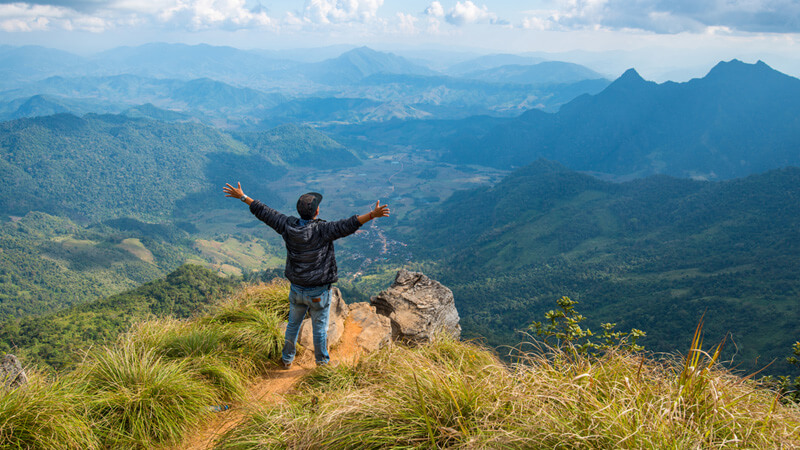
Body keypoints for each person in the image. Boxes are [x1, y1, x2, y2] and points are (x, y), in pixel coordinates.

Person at [222, 182, 390, 367]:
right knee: (319, 329)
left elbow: (265, 212)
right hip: (318, 292)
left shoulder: (287, 225)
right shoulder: (322, 230)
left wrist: (243, 197)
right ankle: (322, 364)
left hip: (296, 290)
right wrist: (373, 214)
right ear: (316, 212)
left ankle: (287, 360)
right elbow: (348, 225)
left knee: (292, 326)